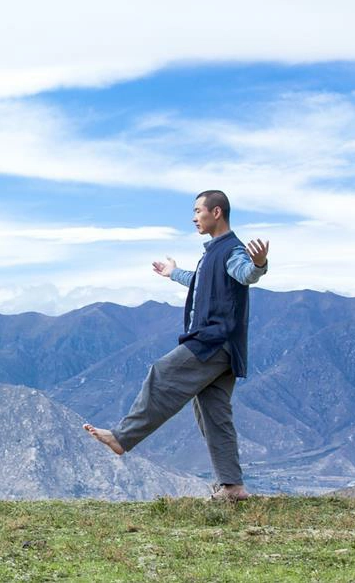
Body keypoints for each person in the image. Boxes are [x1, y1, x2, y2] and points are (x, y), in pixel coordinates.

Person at [83, 190, 269, 501]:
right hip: (223, 347)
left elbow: (245, 272)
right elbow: (201, 281)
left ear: (217, 212)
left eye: (198, 211)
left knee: (162, 373)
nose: (194, 217)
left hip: (212, 343)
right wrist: (173, 273)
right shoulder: (212, 253)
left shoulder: (232, 250)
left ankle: (122, 438)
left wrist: (259, 264)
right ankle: (233, 487)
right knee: (213, 413)